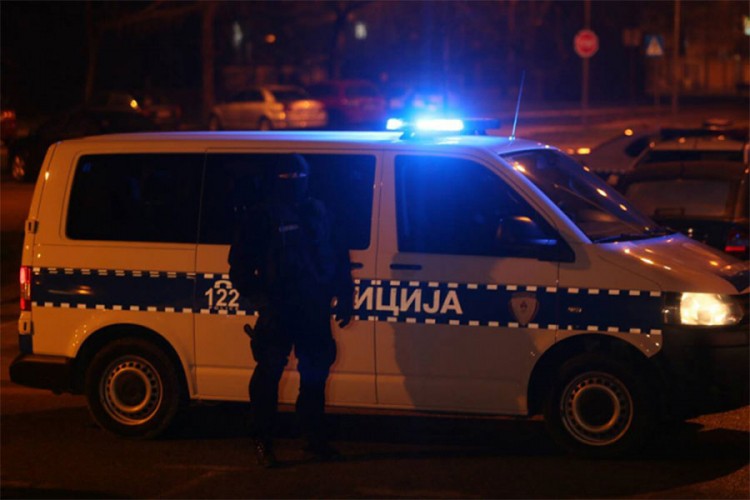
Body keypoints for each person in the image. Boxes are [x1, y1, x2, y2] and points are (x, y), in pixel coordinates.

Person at [228, 154, 354, 468]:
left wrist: (345, 296)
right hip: (279, 309)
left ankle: (313, 439)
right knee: (269, 375)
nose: (296, 183)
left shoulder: (320, 211)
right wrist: (263, 302)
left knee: (314, 375)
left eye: (300, 176)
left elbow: (338, 257)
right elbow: (240, 269)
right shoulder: (261, 216)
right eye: (289, 177)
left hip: (314, 308)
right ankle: (263, 440)